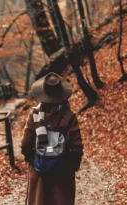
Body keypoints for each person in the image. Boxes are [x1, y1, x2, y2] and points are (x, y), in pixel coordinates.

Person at [21, 72, 84, 205]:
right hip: (63, 173)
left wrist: (35, 161)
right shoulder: (69, 116)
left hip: (39, 172)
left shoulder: (35, 114)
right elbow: (77, 147)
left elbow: (25, 144)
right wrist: (70, 166)